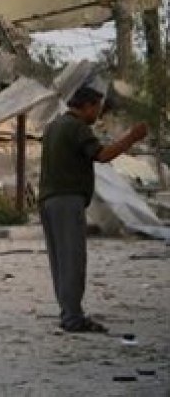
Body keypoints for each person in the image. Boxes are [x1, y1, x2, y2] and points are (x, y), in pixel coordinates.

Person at [38, 85, 147, 334]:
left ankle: (68, 312)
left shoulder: (54, 126)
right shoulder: (77, 127)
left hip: (48, 199)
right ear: (86, 106)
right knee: (73, 259)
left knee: (60, 261)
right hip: (67, 199)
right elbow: (103, 155)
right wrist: (131, 137)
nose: (97, 113)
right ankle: (74, 318)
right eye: (96, 108)